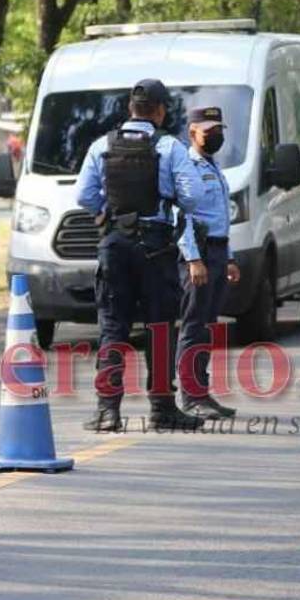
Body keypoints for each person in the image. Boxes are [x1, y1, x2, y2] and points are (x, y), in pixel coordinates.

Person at [76, 78, 202, 432]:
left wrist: (109, 211)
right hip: (156, 247)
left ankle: (107, 412)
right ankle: (162, 409)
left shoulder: (101, 144)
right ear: (160, 111)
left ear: (130, 108)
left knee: (113, 327)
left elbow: (83, 195)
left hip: (115, 244)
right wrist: (168, 202)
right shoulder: (170, 147)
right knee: (160, 328)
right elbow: (193, 197)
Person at [175, 106, 240, 421]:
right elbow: (184, 217)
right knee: (193, 326)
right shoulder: (187, 166)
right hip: (198, 256)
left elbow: (220, 218)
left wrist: (228, 258)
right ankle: (190, 396)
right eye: (209, 131)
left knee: (207, 327)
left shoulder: (214, 167)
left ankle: (202, 392)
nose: (216, 136)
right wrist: (193, 259)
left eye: (219, 130)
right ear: (192, 132)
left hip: (216, 252)